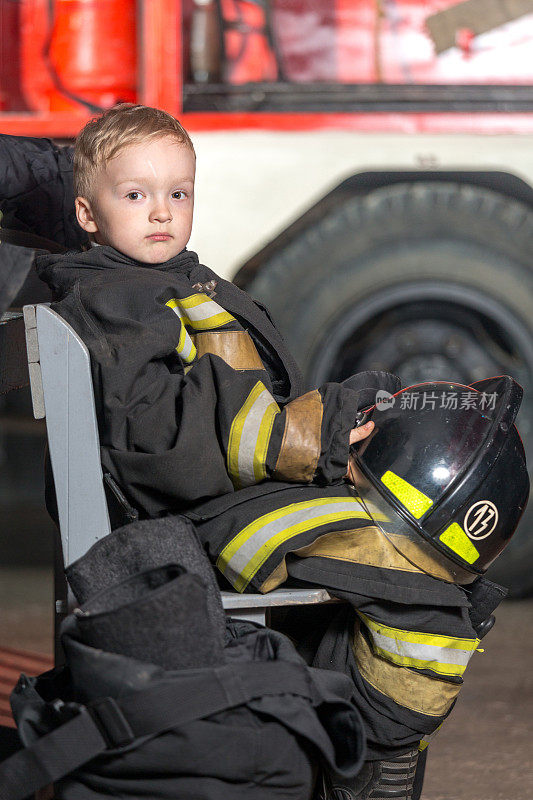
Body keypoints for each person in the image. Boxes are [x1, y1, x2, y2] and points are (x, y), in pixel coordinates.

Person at [32, 104, 520, 800]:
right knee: (419, 571)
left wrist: (344, 414)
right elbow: (162, 434)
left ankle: (341, 735)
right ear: (87, 213)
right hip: (190, 522)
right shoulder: (120, 303)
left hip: (226, 498)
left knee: (412, 551)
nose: (161, 211)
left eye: (178, 192)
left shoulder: (167, 282)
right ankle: (375, 757)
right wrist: (310, 436)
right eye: (134, 194)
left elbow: (240, 394)